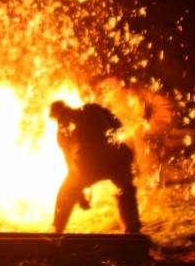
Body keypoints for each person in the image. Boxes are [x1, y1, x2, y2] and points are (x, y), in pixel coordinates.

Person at [49, 100, 142, 234]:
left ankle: (57, 230)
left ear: (56, 115)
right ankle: (132, 229)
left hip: (90, 165)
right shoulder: (93, 108)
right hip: (116, 160)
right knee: (126, 190)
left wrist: (79, 193)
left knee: (65, 193)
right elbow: (118, 127)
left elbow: (71, 166)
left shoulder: (62, 133)